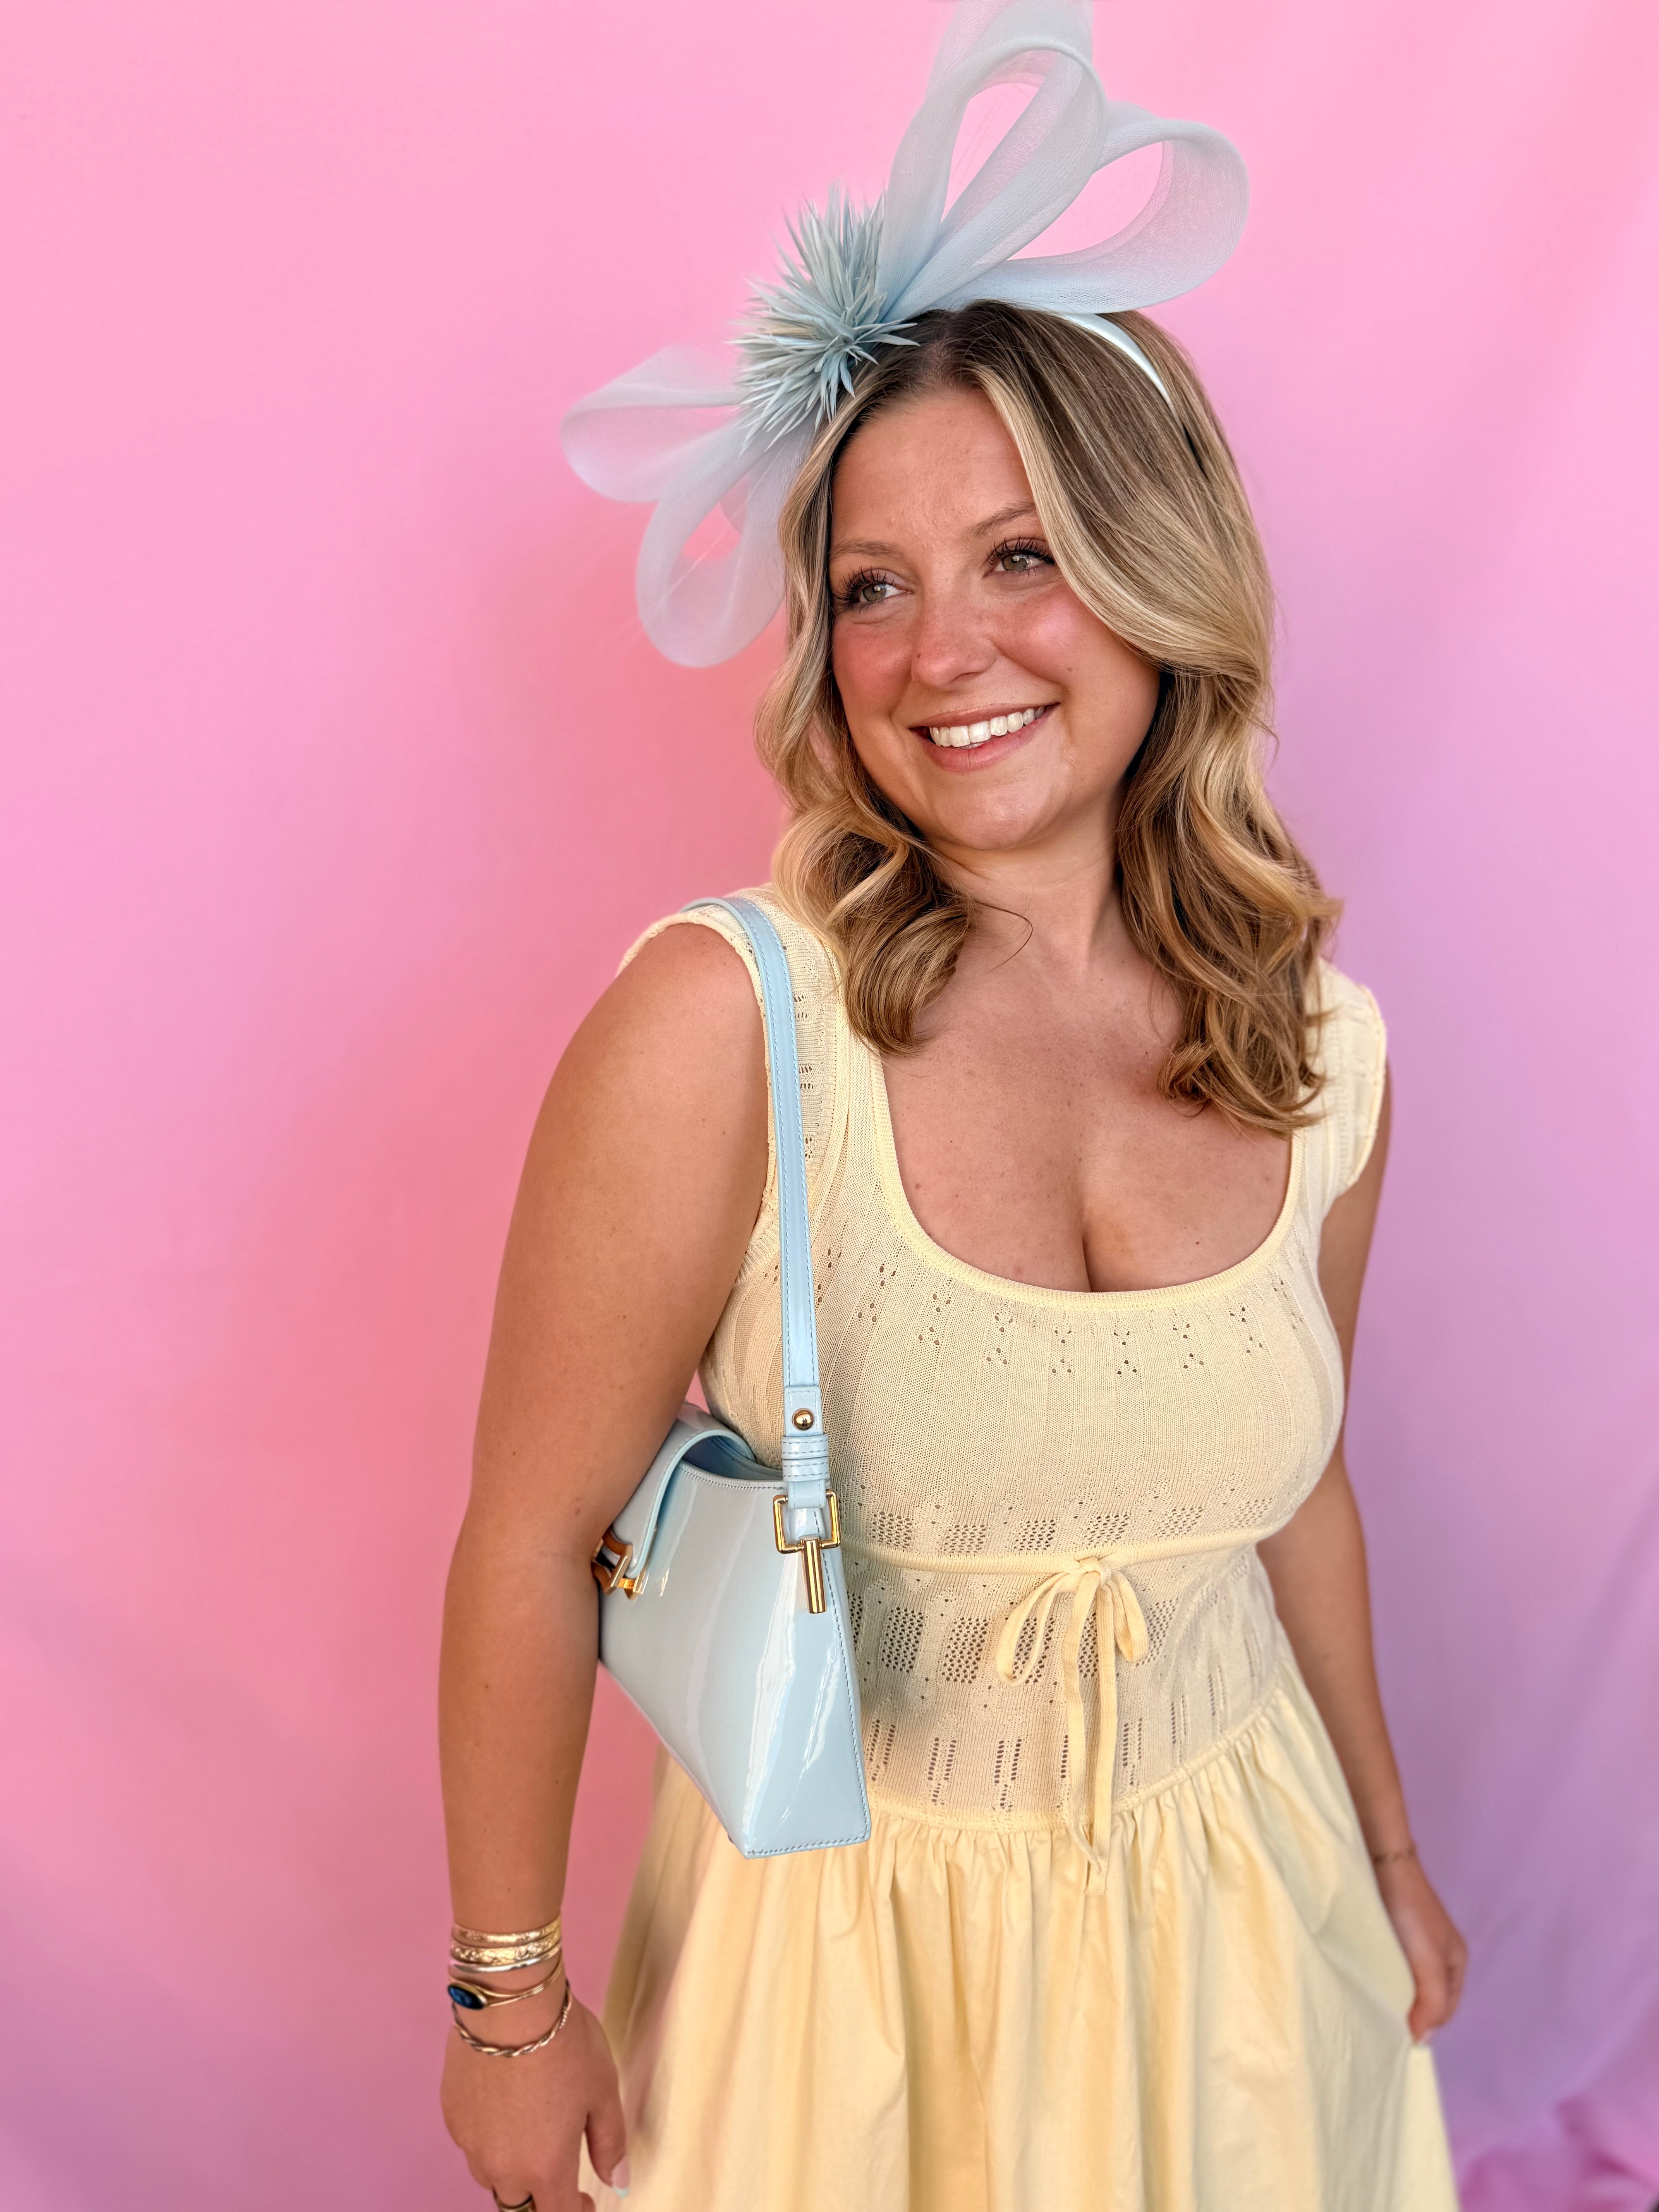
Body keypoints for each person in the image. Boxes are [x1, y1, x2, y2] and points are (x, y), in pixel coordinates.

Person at [437, 9, 1467, 2209]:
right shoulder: (728, 1026)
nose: (940, 654)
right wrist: (508, 2003)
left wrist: (1388, 1853)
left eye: (1020, 557)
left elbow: (1298, 1485)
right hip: (846, 1990)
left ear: (1162, 575)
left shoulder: (1318, 1048)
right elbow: (531, 1535)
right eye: (871, 589)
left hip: (1245, 1947)